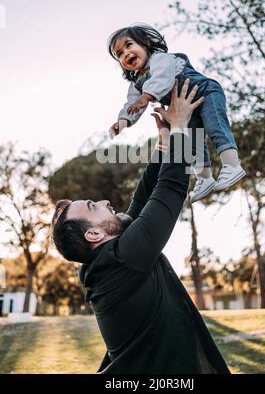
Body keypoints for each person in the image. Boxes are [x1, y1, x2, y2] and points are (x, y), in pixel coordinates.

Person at [51, 80, 230, 374]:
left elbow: (142, 199)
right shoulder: (121, 261)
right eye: (94, 207)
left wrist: (163, 143)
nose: (106, 201)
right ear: (94, 234)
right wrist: (181, 126)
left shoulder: (111, 260)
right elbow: (170, 190)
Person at [108, 24, 246, 202]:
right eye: (119, 54)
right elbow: (132, 104)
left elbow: (162, 78)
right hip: (186, 108)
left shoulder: (160, 59)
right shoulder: (137, 83)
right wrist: (123, 121)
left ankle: (232, 164)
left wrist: (146, 97)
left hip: (206, 92)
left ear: (146, 44)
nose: (125, 53)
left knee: (215, 125)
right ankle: (204, 178)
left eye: (129, 45)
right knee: (191, 141)